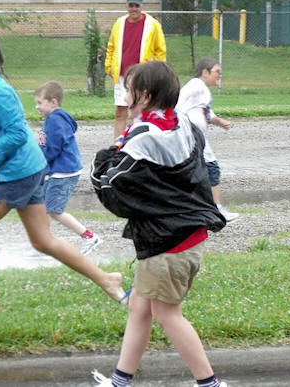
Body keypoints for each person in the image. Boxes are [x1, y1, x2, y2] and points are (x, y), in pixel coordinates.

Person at [0, 33, 127, 317]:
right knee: (43, 241)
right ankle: (107, 279)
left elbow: (18, 135)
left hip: (16, 173)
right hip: (27, 170)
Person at [90, 61, 227, 387]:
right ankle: (120, 380)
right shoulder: (182, 124)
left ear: (146, 96)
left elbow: (111, 186)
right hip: (185, 237)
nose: (125, 96)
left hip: (167, 244)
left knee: (167, 314)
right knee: (139, 306)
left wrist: (103, 160)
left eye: (129, 89)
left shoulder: (144, 137)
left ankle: (210, 384)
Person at [35, 81, 103, 255]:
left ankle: (89, 237)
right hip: (58, 171)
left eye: (40, 103)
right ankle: (43, 243)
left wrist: (38, 161)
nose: (37, 107)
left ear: (54, 101)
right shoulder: (53, 119)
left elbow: (53, 148)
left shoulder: (55, 120)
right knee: (42, 206)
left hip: (63, 172)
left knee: (54, 210)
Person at [176, 58, 239, 223]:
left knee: (200, 170)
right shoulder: (196, 85)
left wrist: (219, 122)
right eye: (217, 72)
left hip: (197, 137)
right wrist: (180, 122)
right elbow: (179, 101)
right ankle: (215, 210)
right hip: (192, 136)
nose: (220, 75)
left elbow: (206, 113)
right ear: (205, 72)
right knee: (210, 169)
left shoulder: (202, 89)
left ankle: (199, 208)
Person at [105, 0, 167, 140]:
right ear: (126, 6)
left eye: (137, 6)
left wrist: (155, 72)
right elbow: (111, 46)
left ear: (142, 7)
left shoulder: (152, 25)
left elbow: (160, 50)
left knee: (140, 112)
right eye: (131, 5)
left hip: (142, 77)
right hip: (122, 76)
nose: (133, 9)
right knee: (120, 112)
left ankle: (139, 142)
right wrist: (109, 66)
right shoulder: (119, 23)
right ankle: (117, 146)